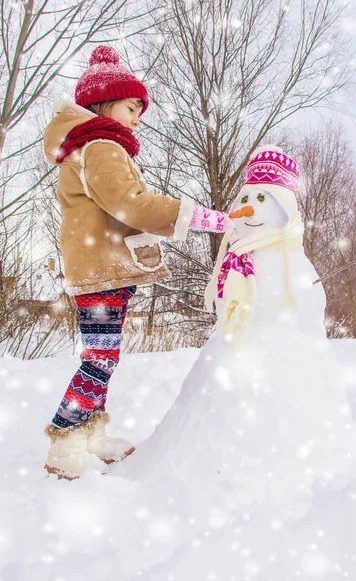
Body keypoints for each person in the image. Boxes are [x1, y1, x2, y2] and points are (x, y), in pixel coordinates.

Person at [42, 45, 232, 480]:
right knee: (100, 357)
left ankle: (90, 434)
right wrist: (203, 217)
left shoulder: (88, 146)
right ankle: (65, 440)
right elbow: (132, 205)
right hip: (100, 269)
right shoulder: (100, 145)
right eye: (132, 107)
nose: (137, 118)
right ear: (105, 103)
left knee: (103, 355)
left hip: (100, 267)